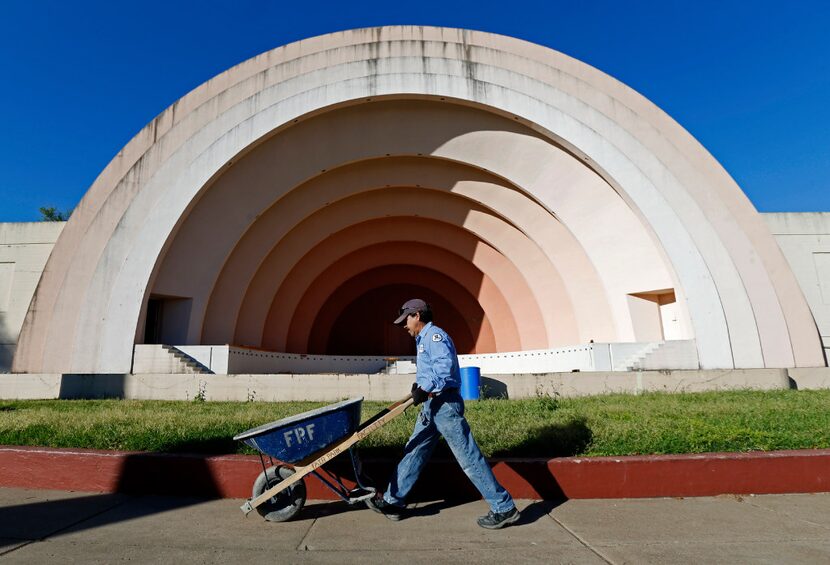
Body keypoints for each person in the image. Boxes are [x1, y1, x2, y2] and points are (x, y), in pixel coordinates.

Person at [366, 298, 520, 529]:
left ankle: (503, 507)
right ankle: (393, 501)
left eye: (405, 320)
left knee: (468, 457)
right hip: (432, 406)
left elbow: (444, 369)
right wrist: (419, 387)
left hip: (444, 405)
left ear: (417, 315)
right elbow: (431, 372)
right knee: (414, 450)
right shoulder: (422, 339)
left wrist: (425, 388)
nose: (404, 326)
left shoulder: (435, 336)